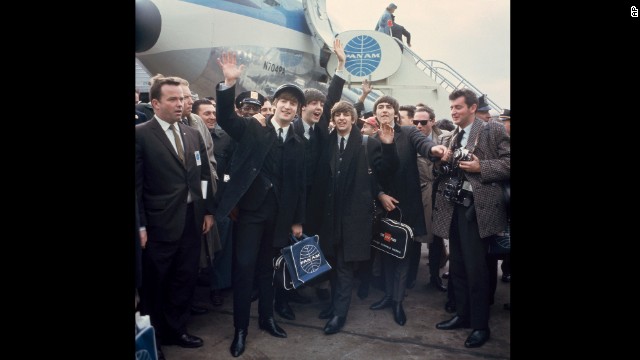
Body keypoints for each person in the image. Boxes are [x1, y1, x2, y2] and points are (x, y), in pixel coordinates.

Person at [216, 51, 307, 357]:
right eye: (283, 100)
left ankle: (267, 319)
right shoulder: (253, 127)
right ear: (275, 104)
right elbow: (226, 119)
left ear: (297, 110)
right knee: (244, 269)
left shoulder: (298, 142)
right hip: (252, 213)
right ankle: (240, 329)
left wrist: (297, 220)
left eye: (293, 103)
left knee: (268, 270)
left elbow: (298, 187)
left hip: (279, 217)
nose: (287, 106)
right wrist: (229, 84)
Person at [136, 77, 216, 356]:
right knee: (156, 282)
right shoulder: (141, 134)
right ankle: (154, 336)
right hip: (159, 224)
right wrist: (141, 224)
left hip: (192, 220)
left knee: (184, 278)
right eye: (172, 99)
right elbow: (136, 186)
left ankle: (177, 329)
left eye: (181, 99)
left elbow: (203, 174)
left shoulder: (192, 133)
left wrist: (206, 210)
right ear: (155, 103)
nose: (180, 104)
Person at [310, 100, 397, 335]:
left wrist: (388, 146)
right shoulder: (327, 142)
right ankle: (333, 306)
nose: (341, 118)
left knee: (345, 266)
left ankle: (340, 313)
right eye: (337, 114)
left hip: (353, 217)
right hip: (329, 216)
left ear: (353, 118)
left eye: (346, 114)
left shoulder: (368, 144)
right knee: (332, 263)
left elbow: (385, 173)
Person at [432, 89, 510, 348]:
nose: (453, 111)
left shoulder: (492, 129)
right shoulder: (452, 135)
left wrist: (481, 167)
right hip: (453, 207)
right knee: (458, 267)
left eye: (458, 107)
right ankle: (463, 315)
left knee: (477, 270)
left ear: (473, 108)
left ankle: (480, 326)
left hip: (477, 209)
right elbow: (443, 171)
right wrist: (440, 160)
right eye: (451, 107)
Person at [369, 95, 447, 326]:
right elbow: (370, 174)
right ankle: (386, 295)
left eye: (388, 107)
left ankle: (397, 301)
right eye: (380, 107)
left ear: (395, 112)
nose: (384, 110)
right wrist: (380, 195)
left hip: (408, 206)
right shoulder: (371, 139)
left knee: (403, 255)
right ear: (375, 113)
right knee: (385, 251)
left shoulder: (409, 132)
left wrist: (435, 149)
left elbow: (425, 145)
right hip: (385, 205)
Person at [407, 107, 450, 293]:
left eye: (423, 122)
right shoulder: (410, 139)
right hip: (418, 194)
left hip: (441, 194)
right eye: (415, 122)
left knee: (437, 239)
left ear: (432, 121)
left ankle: (435, 277)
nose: (418, 125)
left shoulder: (445, 138)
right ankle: (410, 277)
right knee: (416, 238)